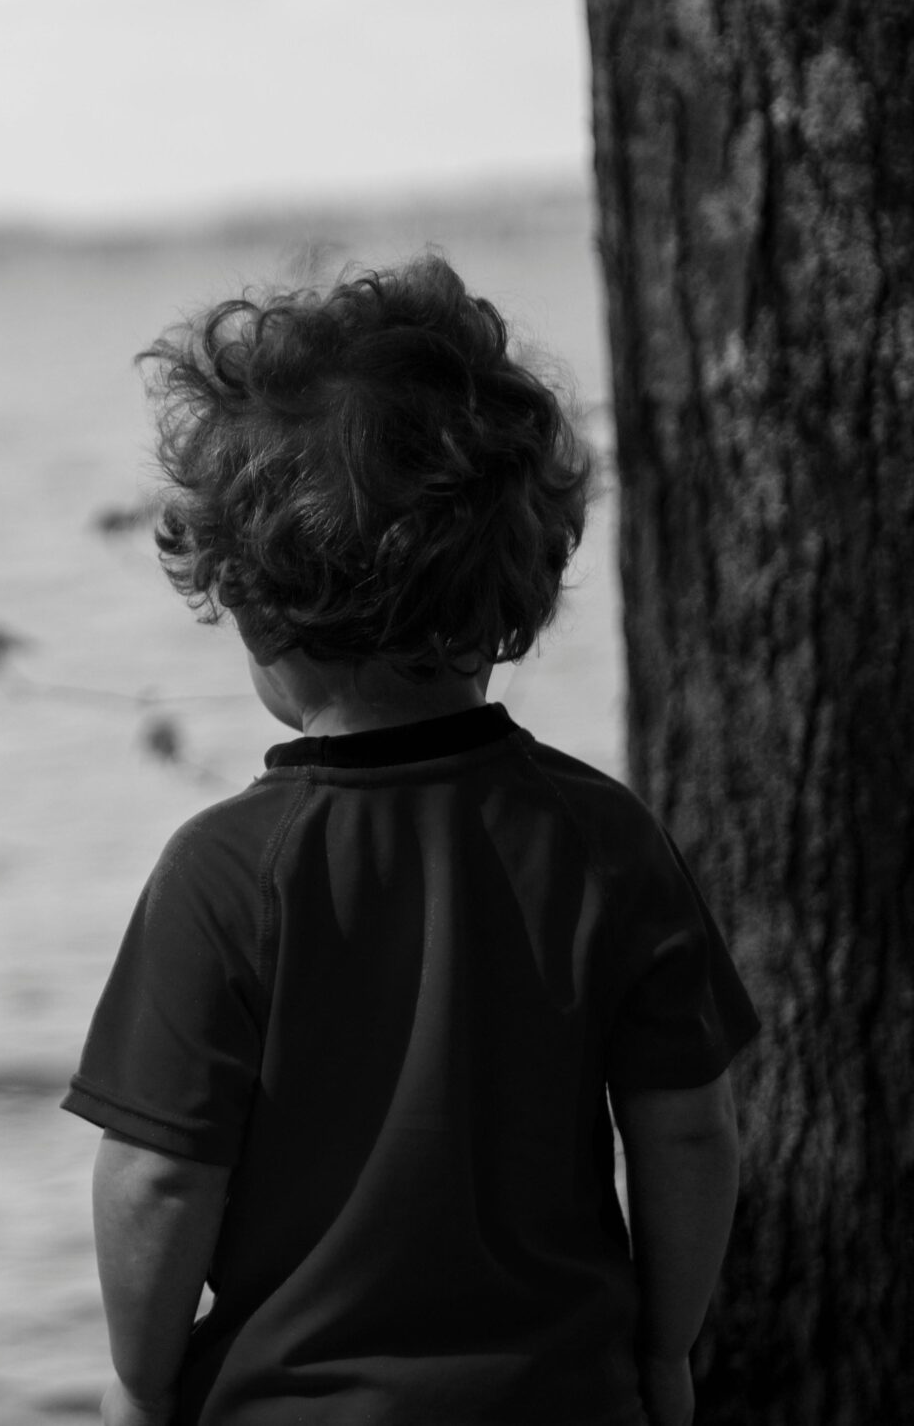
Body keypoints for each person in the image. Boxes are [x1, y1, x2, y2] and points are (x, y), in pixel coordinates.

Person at [63, 256, 758, 1426]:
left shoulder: (223, 875)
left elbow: (157, 1178)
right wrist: (665, 1347)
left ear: (247, 599)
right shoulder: (603, 839)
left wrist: (139, 1384)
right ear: (518, 580)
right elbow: (688, 1126)